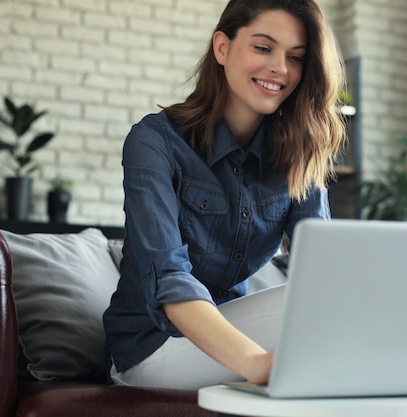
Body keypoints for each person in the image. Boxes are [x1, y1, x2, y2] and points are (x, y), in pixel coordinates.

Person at [103, 0, 346, 390]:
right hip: (151, 347)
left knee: (341, 300)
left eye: (296, 57)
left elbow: (324, 273)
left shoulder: (299, 155)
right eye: (263, 48)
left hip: (235, 330)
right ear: (222, 47)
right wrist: (259, 364)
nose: (280, 68)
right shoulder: (154, 142)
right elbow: (169, 279)